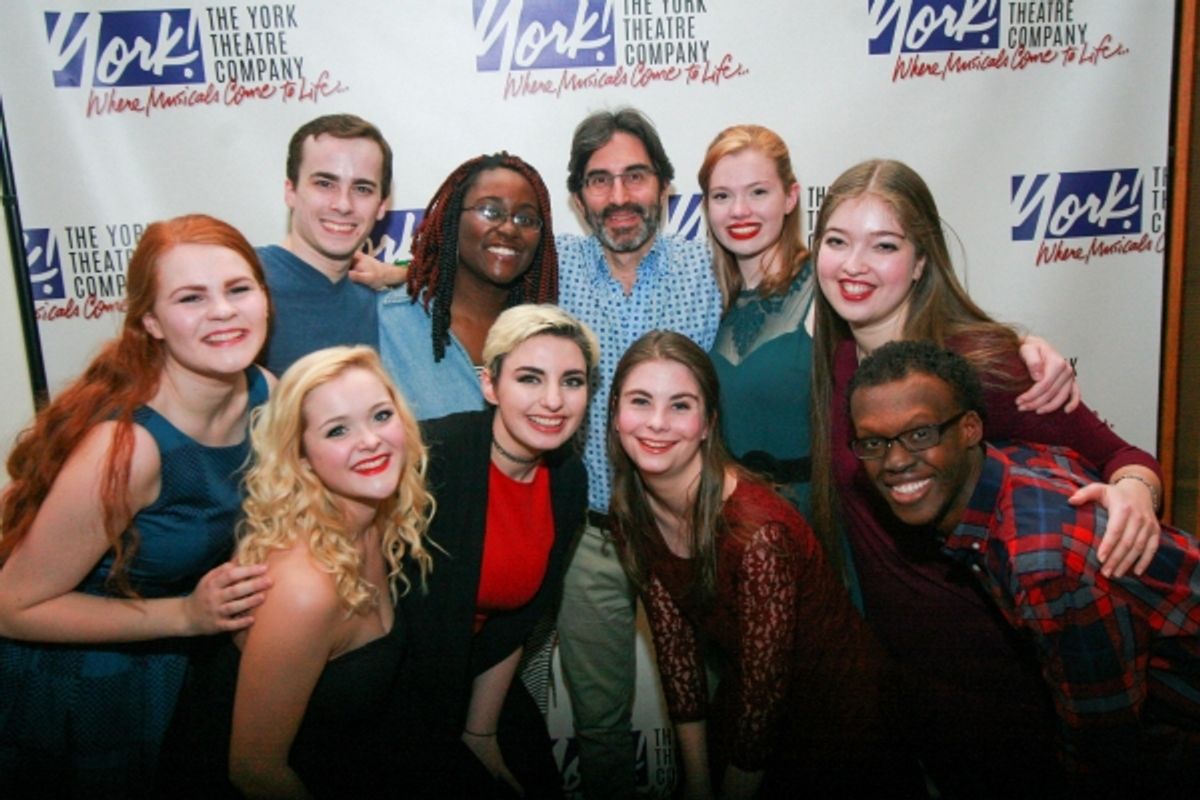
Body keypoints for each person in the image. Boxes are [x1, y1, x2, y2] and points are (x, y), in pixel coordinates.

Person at [809, 158, 1165, 797]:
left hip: (1006, 684)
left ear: (921, 262)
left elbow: (1123, 456)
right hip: (910, 681)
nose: (853, 265)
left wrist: (1135, 496)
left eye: (883, 245)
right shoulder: (836, 360)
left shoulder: (982, 363)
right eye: (837, 241)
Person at [848, 340, 1199, 797]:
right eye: (874, 442)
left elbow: (1105, 749)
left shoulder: (1042, 564)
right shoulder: (1011, 465)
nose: (895, 461)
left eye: (920, 435)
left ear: (970, 428)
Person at [0, 214, 274, 796]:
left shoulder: (265, 392)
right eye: (190, 298)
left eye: (238, 288)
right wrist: (185, 616)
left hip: (180, 669)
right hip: (77, 683)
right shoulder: (128, 449)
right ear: (151, 321)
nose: (223, 311)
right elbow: (13, 606)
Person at [609, 330, 918, 799]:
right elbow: (678, 660)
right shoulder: (632, 510)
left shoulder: (757, 534)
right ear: (613, 414)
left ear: (709, 423)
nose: (656, 423)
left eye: (680, 405)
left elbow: (763, 698)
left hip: (841, 718)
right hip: (755, 701)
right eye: (639, 401)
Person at [159, 346, 435, 798]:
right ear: (302, 456)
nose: (370, 441)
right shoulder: (304, 587)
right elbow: (254, 771)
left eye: (381, 416)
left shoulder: (376, 524)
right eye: (338, 430)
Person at [554, 107, 722, 800]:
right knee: (598, 725)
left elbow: (808, 287)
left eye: (635, 175)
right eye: (599, 180)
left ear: (666, 186)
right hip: (590, 538)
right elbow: (452, 271)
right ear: (577, 195)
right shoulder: (548, 267)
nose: (618, 196)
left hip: (691, 533)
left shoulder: (713, 268)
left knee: (713, 711)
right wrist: (389, 274)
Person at [399, 304, 597, 798]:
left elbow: (516, 622)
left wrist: (481, 733)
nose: (554, 401)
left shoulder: (568, 480)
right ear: (490, 385)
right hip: (393, 687)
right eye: (530, 378)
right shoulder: (429, 457)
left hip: (478, 679)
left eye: (572, 382)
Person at [377, 151, 559, 420]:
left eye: (526, 219)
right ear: (452, 220)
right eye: (490, 211)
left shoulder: (550, 334)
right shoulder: (387, 325)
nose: (509, 229)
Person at [698, 124, 815, 514]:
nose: (739, 210)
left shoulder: (827, 284)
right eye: (722, 196)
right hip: (735, 524)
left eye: (758, 192)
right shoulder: (708, 299)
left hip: (816, 521)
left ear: (790, 197)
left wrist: (1013, 347)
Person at [259, 113, 393, 376]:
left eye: (362, 189)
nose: (343, 204)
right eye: (325, 183)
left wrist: (398, 274)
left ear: (382, 206)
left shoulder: (378, 302)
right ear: (291, 191)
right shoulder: (243, 286)